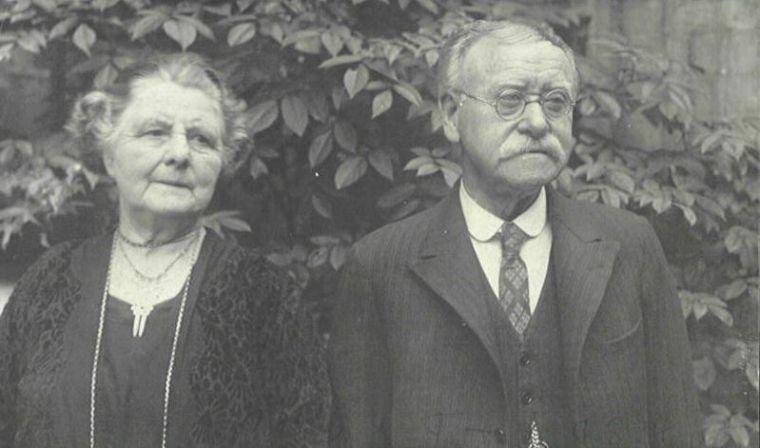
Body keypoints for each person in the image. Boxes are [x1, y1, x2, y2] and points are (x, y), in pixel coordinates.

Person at [328, 19, 702, 448]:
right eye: (510, 100)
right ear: (452, 114)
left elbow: (679, 428)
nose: (538, 122)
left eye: (556, 101)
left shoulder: (630, 246)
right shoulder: (381, 265)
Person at [0, 53, 329, 447]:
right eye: (155, 132)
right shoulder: (49, 282)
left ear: (222, 162)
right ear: (108, 153)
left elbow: (310, 434)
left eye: (201, 139)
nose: (180, 154)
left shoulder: (262, 293)